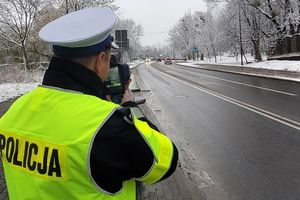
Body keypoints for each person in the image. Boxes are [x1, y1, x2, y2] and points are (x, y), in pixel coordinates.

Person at [0, 7, 178, 200]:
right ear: (101, 59)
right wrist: (129, 108)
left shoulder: (13, 112)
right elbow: (166, 161)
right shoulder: (109, 126)